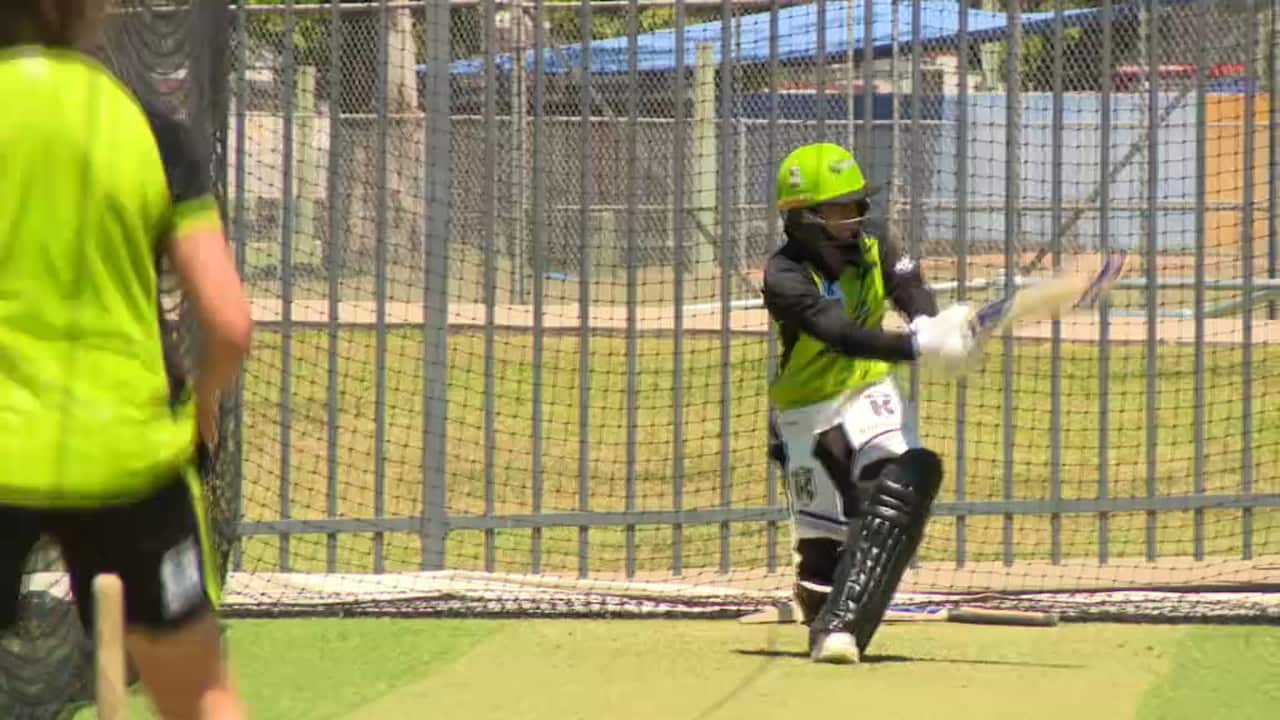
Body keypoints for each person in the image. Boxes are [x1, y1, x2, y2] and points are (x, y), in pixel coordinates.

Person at [0, 1, 252, 717]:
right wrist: (201, 407)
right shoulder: (144, 124)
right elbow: (229, 322)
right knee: (202, 695)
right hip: (127, 455)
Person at [761, 142, 975, 664]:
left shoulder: (874, 238)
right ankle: (826, 624)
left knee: (896, 480)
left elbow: (907, 283)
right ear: (804, 217)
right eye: (839, 210)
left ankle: (846, 628)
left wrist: (926, 321)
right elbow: (838, 333)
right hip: (805, 407)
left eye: (857, 204)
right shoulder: (783, 275)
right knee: (819, 556)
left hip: (869, 388)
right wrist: (915, 347)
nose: (854, 218)